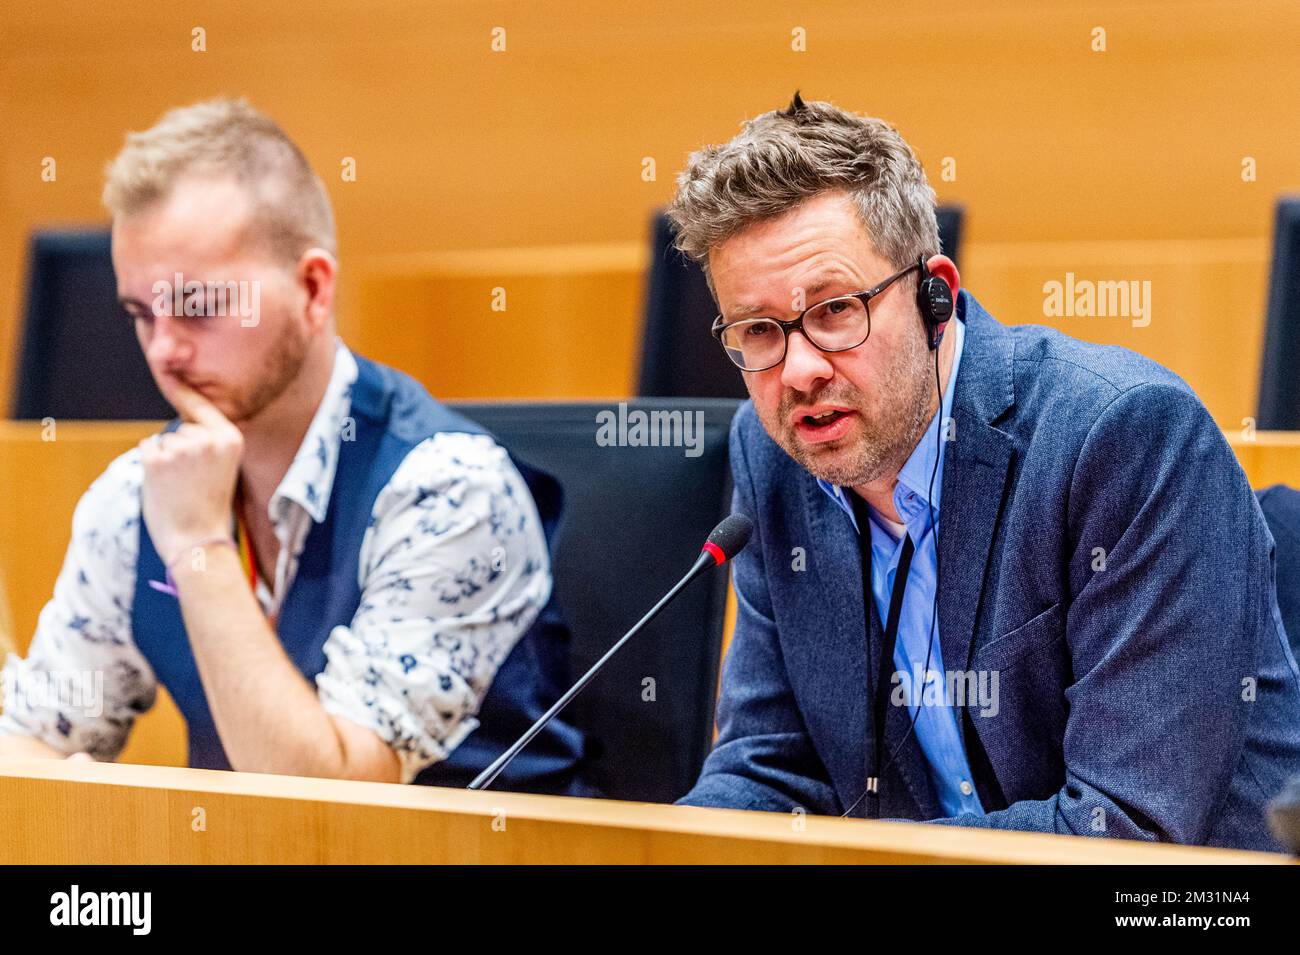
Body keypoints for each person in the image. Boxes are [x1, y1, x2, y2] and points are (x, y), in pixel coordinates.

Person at [671, 93, 1300, 849]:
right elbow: (772, 768)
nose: (799, 370)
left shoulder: (1124, 438)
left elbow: (1124, 829)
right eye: (760, 330)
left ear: (935, 294)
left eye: (836, 310)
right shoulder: (772, 455)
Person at [0, 99, 589, 794]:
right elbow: (33, 745)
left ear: (312, 289)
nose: (163, 349)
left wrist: (197, 544)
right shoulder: (136, 497)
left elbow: (337, 805)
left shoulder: (449, 488)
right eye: (141, 313)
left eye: (198, 306)